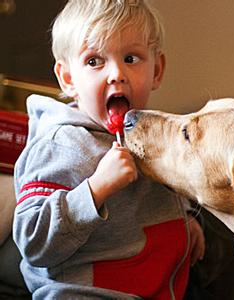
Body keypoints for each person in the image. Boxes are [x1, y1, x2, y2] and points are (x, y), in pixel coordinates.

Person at [13, 0, 206, 298]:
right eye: (94, 61)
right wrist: (95, 189)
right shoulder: (61, 146)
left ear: (157, 70)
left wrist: (185, 219)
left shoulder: (153, 135)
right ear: (68, 78)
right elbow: (32, 241)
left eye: (131, 58)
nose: (117, 73)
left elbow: (160, 195)